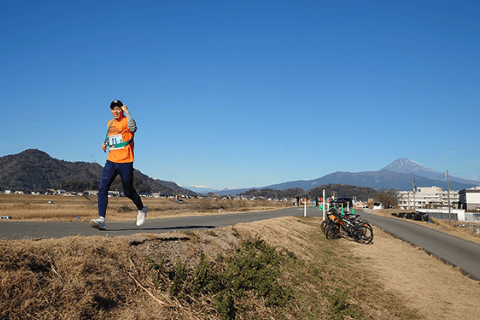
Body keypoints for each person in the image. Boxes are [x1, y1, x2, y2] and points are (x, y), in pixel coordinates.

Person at [90, 100, 148, 230]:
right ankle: (101, 220)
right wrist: (105, 143)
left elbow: (133, 128)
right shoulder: (109, 123)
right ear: (110, 111)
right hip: (111, 160)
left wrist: (127, 112)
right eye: (113, 109)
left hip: (126, 161)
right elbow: (112, 137)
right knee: (102, 189)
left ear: (121, 110)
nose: (115, 111)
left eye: (118, 109)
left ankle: (141, 209)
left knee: (128, 192)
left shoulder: (127, 120)